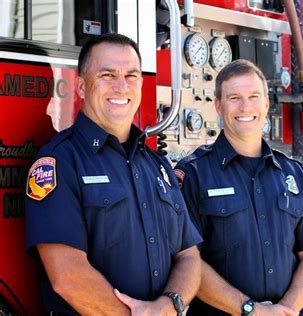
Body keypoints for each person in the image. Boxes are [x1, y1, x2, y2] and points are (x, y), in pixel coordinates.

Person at [25, 33, 202, 315]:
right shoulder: (59, 162)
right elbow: (67, 277)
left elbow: (189, 256)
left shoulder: (157, 165)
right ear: (82, 87)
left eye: (131, 76)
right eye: (108, 75)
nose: (122, 87)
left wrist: (169, 305)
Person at [173, 59, 303, 316]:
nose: (245, 106)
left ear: (267, 104)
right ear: (218, 105)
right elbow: (188, 260)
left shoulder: (294, 173)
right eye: (234, 97)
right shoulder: (193, 174)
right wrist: (251, 310)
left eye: (254, 96)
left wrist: (286, 310)